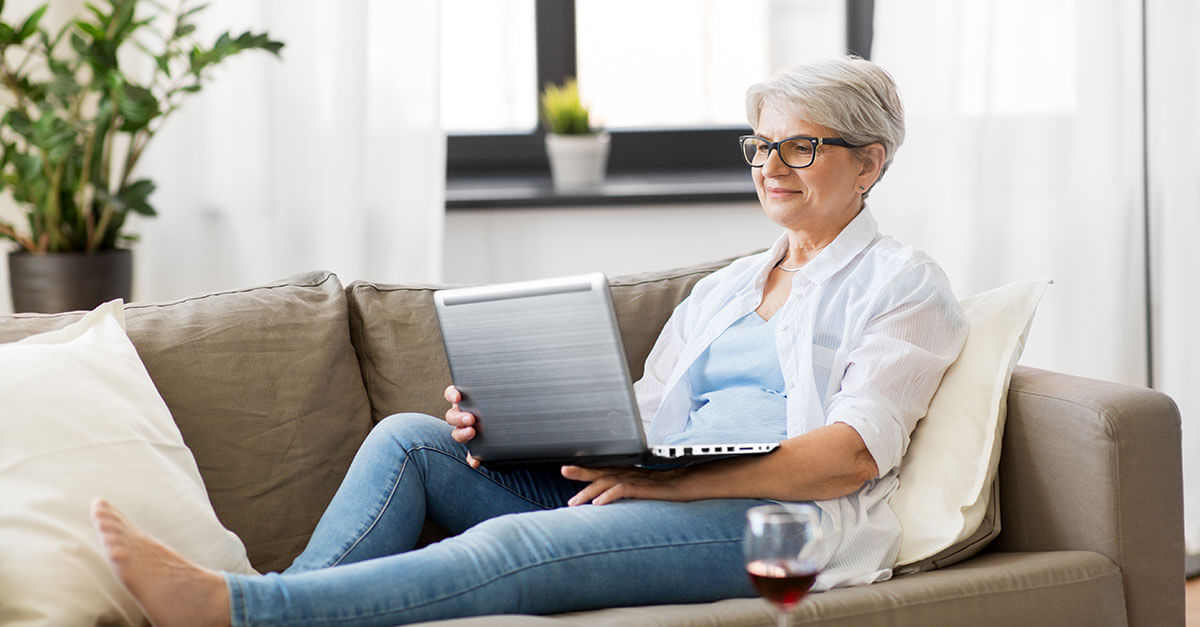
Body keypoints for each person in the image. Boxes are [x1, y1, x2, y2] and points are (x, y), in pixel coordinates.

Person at [90, 56, 969, 626]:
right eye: (760, 145)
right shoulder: (725, 287)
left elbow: (850, 456)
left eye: (801, 146)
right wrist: (520, 425)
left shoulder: (904, 284)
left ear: (871, 161)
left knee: (517, 549)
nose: (770, 167)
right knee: (414, 441)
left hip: (787, 527)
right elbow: (645, 420)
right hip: (654, 491)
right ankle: (282, 605)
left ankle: (240, 610)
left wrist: (671, 485)